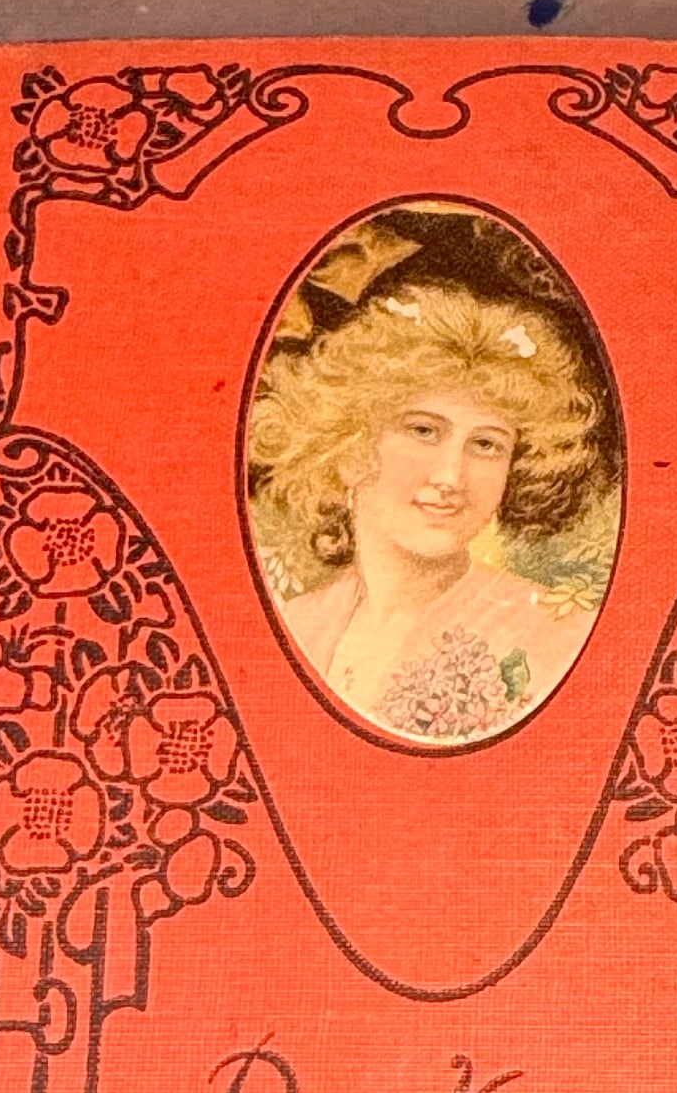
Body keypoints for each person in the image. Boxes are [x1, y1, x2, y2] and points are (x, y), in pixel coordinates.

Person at [248, 279, 617, 745]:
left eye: (486, 445)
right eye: (423, 431)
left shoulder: (555, 633)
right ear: (349, 445)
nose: (450, 477)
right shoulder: (295, 622)